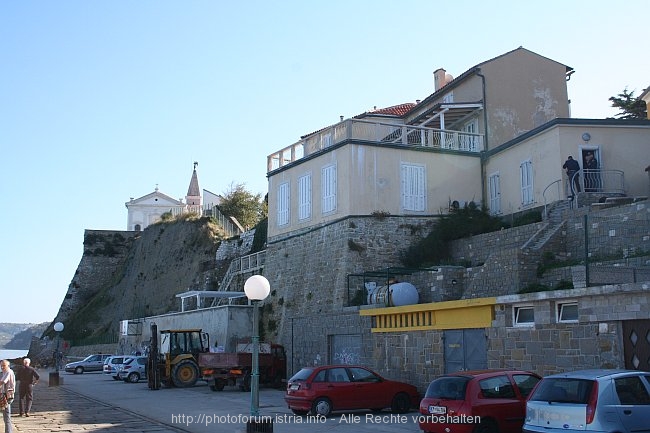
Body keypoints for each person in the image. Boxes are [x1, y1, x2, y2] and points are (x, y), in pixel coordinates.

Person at [0, 359, 15, 433]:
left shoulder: (8, 371)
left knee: (6, 416)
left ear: (8, 365)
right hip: (5, 395)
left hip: (7, 396)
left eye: (4, 366)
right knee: (6, 415)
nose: (2, 367)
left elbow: (3, 381)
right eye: (1, 366)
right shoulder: (4, 372)